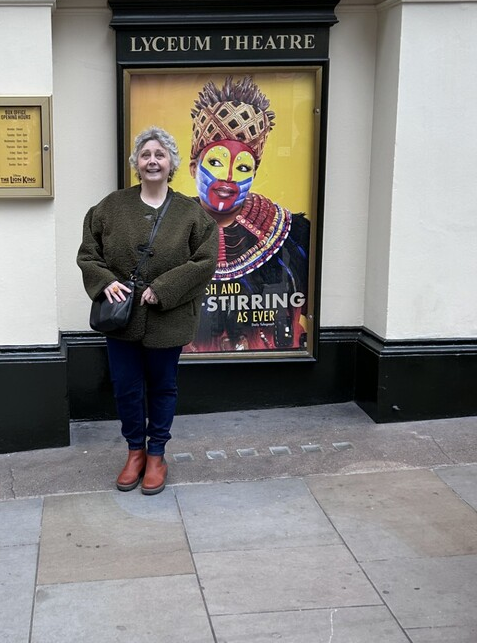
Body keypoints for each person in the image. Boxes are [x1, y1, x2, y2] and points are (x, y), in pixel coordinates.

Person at [77, 127, 218, 494]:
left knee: (162, 387)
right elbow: (88, 253)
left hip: (168, 321)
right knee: (125, 388)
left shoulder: (191, 213)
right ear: (136, 164)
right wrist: (104, 280)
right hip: (121, 320)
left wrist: (163, 288)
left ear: (171, 163)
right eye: (145, 155)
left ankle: (157, 453)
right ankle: (134, 451)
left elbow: (205, 261)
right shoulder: (110, 207)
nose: (152, 160)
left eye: (160, 154)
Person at [186, 75, 311, 352]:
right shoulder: (171, 225)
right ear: (194, 167)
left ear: (254, 175)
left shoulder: (293, 233)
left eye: (243, 168)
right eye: (216, 162)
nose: (228, 178)